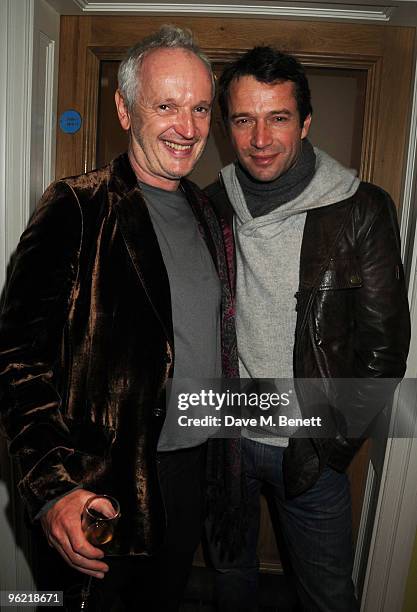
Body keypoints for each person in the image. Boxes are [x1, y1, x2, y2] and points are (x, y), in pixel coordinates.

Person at [0, 25, 237, 611]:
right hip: (103, 484)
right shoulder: (78, 206)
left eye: (200, 107)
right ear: (125, 109)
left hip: (190, 473)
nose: (188, 127)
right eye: (166, 105)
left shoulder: (208, 212)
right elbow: (14, 359)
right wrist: (54, 490)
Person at [205, 46, 410, 611]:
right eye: (244, 120)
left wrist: (331, 444)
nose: (261, 139)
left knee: (327, 597)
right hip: (226, 440)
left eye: (279, 117)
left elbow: (384, 349)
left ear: (306, 122)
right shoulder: (211, 205)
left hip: (310, 450)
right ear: (228, 127)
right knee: (230, 582)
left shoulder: (362, 208)